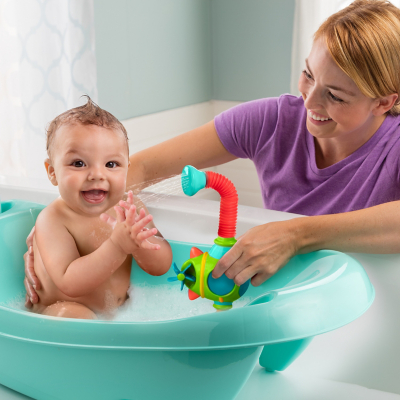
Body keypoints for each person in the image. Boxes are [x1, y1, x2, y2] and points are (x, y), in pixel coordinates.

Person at [25, 0, 400, 307]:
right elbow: (142, 168)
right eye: (309, 75)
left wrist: (296, 235)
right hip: (283, 296)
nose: (310, 102)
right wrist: (61, 229)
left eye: (334, 96)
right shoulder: (272, 120)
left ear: (384, 102)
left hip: (372, 303)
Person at [28, 98, 172, 318]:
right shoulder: (53, 219)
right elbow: (69, 282)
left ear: (126, 169)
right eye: (78, 163)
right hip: (62, 307)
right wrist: (117, 246)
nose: (97, 174)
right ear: (52, 172)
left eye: (111, 164)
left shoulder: (129, 206)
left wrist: (138, 244)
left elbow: (160, 266)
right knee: (69, 315)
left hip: (120, 312)